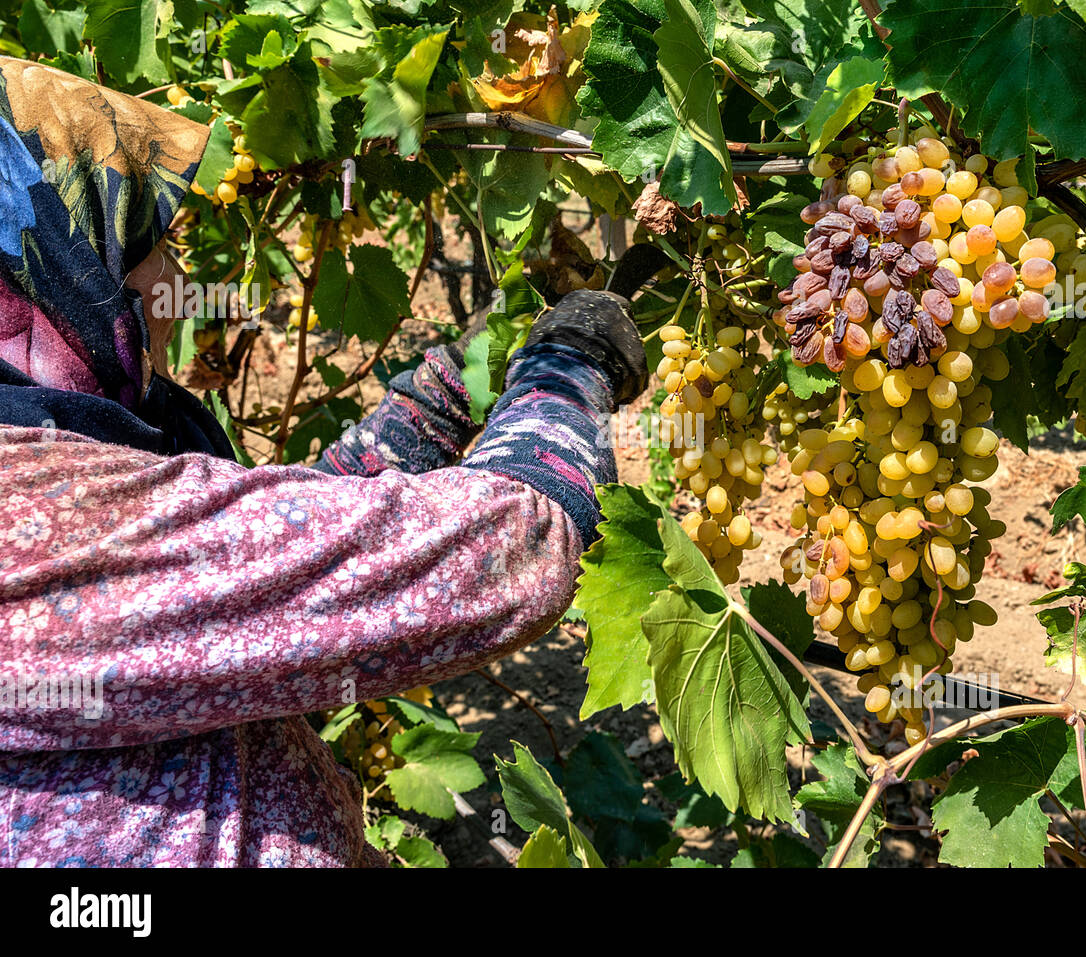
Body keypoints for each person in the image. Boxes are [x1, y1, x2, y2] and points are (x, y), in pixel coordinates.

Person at [0, 57, 647, 867]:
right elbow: (503, 555)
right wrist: (568, 378)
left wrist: (445, 395)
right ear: (60, 268)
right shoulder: (35, 528)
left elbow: (246, 563)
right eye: (149, 245)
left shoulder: (45, 470)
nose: (177, 279)